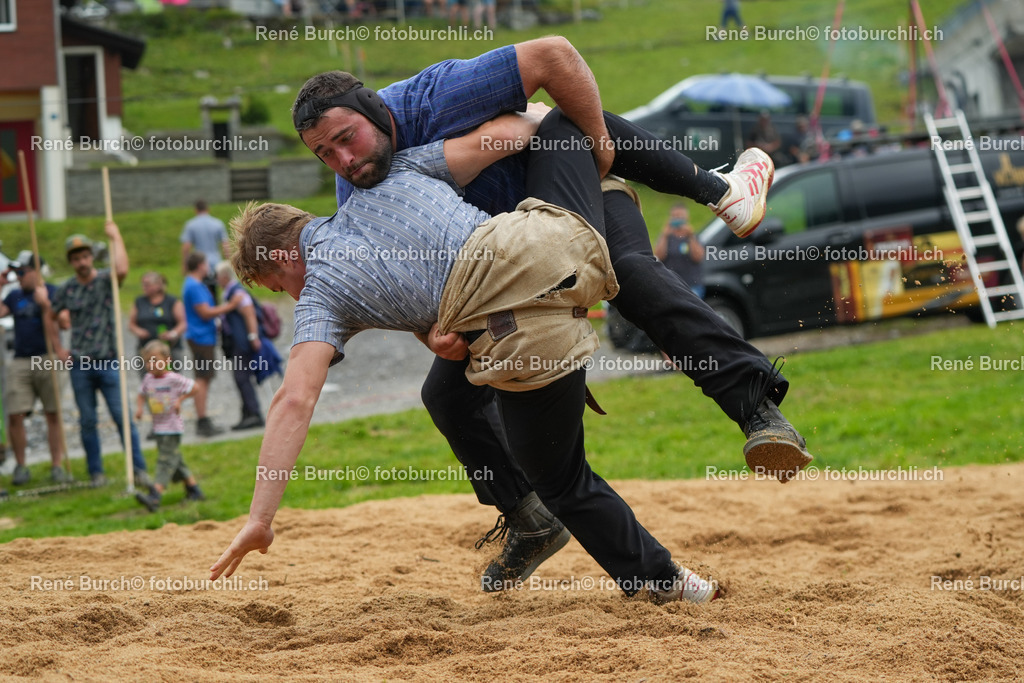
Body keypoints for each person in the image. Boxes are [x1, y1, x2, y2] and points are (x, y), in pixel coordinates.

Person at [291, 38, 812, 589]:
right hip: (515, 276)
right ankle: (531, 518)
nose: (344, 161)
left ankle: (757, 408)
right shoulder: (359, 194)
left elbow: (554, 57)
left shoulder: (435, 97)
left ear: (375, 112)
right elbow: (418, 292)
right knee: (445, 395)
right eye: (325, 154)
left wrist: (600, 146)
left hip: (580, 197)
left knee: (628, 272)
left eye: (347, 139)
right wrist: (435, 337)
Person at [210, 110, 723, 605]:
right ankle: (715, 191)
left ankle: (664, 581)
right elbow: (504, 134)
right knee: (444, 393)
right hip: (564, 245)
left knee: (560, 478)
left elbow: (294, 400)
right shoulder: (392, 176)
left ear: (282, 257)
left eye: (281, 286)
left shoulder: (320, 292)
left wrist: (259, 519)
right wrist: (541, 111)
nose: (294, 299)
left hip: (525, 327)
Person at [51, 227, 150, 488]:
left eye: (85, 256)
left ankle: (138, 469)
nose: (81, 262)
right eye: (76, 258)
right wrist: (58, 348)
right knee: (87, 420)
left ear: (91, 257)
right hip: (79, 365)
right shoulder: (67, 290)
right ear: (71, 262)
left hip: (108, 361)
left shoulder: (106, 281)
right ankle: (96, 472)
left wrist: (116, 236)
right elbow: (50, 316)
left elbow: (122, 270)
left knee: (122, 417)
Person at [0, 255, 70, 485]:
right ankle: (21, 466)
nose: (17, 278)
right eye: (15, 274)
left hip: (47, 356)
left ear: (35, 271)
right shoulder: (14, 296)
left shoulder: (52, 291)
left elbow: (65, 323)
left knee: (53, 412)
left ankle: (57, 465)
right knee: (15, 414)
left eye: (21, 273)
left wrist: (46, 304)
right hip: (21, 360)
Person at [134, 340, 205, 512]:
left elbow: (195, 387)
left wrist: (180, 400)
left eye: (155, 360)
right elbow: (141, 394)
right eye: (148, 361)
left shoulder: (173, 378)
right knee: (175, 460)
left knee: (165, 461)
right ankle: (194, 489)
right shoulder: (148, 379)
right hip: (158, 427)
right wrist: (139, 408)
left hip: (172, 427)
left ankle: (155, 495)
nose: (151, 364)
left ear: (167, 360)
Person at [182, 252, 234, 437]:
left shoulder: (194, 284)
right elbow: (205, 312)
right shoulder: (194, 286)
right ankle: (202, 421)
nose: (208, 267)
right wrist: (230, 306)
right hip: (200, 338)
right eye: (206, 264)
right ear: (199, 265)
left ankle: (203, 420)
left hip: (203, 337)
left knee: (205, 377)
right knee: (202, 378)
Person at [214, 261, 266, 431]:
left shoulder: (237, 293)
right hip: (237, 341)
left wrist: (253, 336)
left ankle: (254, 414)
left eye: (218, 276)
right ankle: (247, 413)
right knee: (240, 378)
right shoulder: (230, 293)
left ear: (224, 276)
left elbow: (249, 314)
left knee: (242, 378)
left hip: (242, 342)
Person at [128, 271, 186, 375]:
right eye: (143, 284)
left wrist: (172, 334)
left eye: (147, 284)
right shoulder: (139, 301)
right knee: (149, 380)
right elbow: (131, 324)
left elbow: (183, 323)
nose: (144, 287)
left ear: (158, 285)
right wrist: (139, 331)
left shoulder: (172, 301)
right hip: (146, 348)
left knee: (171, 379)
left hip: (169, 349)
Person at [180, 200, 229, 301]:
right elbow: (225, 244)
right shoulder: (217, 223)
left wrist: (185, 264)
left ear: (195, 210)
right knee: (214, 289)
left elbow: (186, 246)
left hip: (199, 262)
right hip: (215, 261)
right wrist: (228, 260)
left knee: (200, 289)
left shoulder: (190, 224)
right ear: (208, 209)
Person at [654, 204, 704, 299]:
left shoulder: (692, 236)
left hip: (691, 285)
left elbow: (698, 257)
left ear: (687, 218)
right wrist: (664, 235)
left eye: (681, 217)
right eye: (675, 217)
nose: (678, 220)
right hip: (670, 284)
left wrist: (690, 236)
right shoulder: (666, 236)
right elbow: (658, 256)